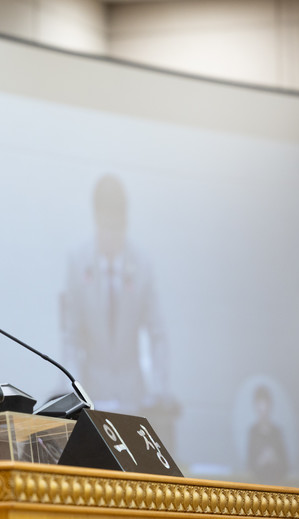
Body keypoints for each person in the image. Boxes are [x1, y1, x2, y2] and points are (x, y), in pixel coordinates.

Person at [60, 174, 178, 442]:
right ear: (95, 221)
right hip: (92, 391)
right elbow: (70, 336)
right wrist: (72, 389)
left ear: (126, 223)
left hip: (134, 397)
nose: (112, 236)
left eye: (118, 228)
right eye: (106, 227)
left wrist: (159, 390)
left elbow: (157, 335)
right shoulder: (78, 262)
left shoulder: (142, 264)